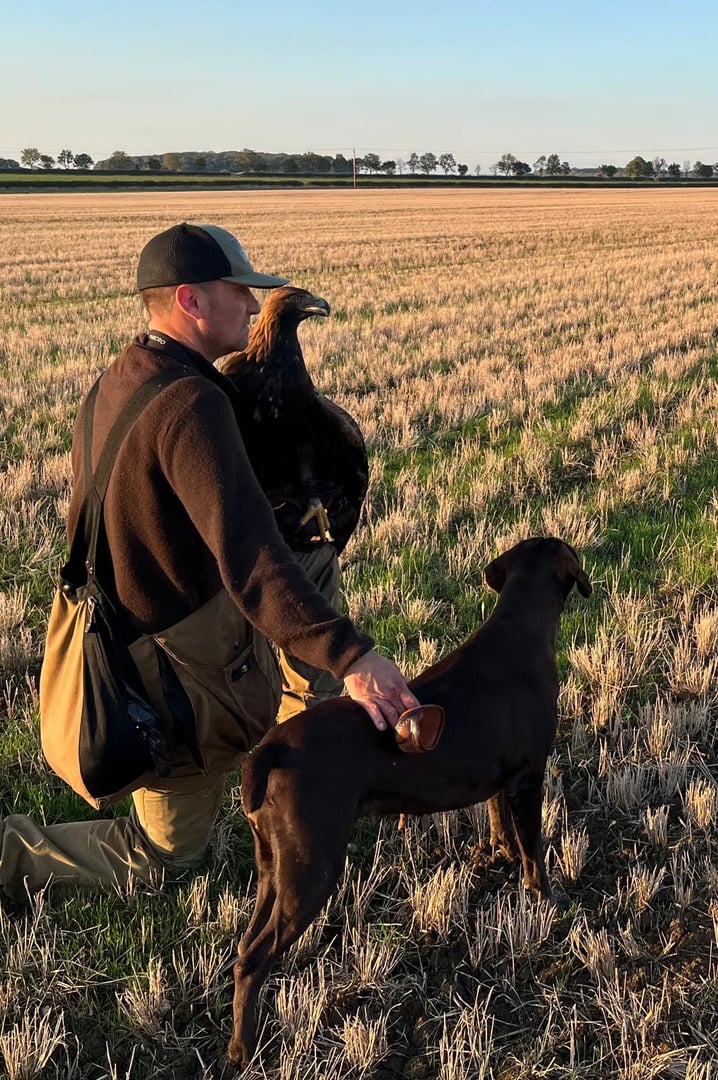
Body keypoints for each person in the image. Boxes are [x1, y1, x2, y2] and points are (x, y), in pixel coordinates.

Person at [0, 222, 419, 903]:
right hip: (163, 676)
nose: (254, 307)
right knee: (164, 860)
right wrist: (353, 658)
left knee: (309, 561)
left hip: (131, 624)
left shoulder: (125, 376)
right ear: (192, 301)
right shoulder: (194, 404)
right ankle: (9, 855)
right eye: (240, 292)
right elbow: (251, 562)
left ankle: (301, 752)